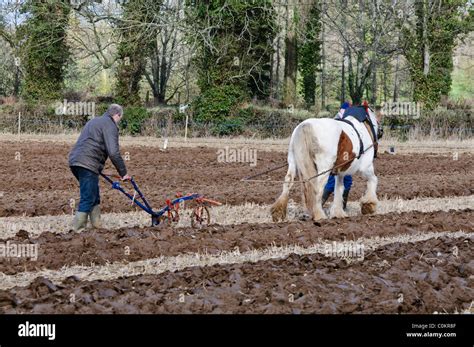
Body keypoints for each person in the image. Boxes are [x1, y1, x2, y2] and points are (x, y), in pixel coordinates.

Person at [69, 104, 131, 231]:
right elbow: (113, 152)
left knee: (94, 194)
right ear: (117, 115)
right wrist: (123, 173)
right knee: (88, 196)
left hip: (75, 161)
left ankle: (97, 225)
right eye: (120, 117)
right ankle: (77, 230)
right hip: (88, 163)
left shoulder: (94, 121)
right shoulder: (111, 125)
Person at [322, 101, 352, 210]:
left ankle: (341, 207)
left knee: (341, 180)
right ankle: (339, 207)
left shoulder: (334, 121)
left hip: (338, 156)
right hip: (338, 157)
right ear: (343, 111)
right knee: (338, 180)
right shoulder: (339, 122)